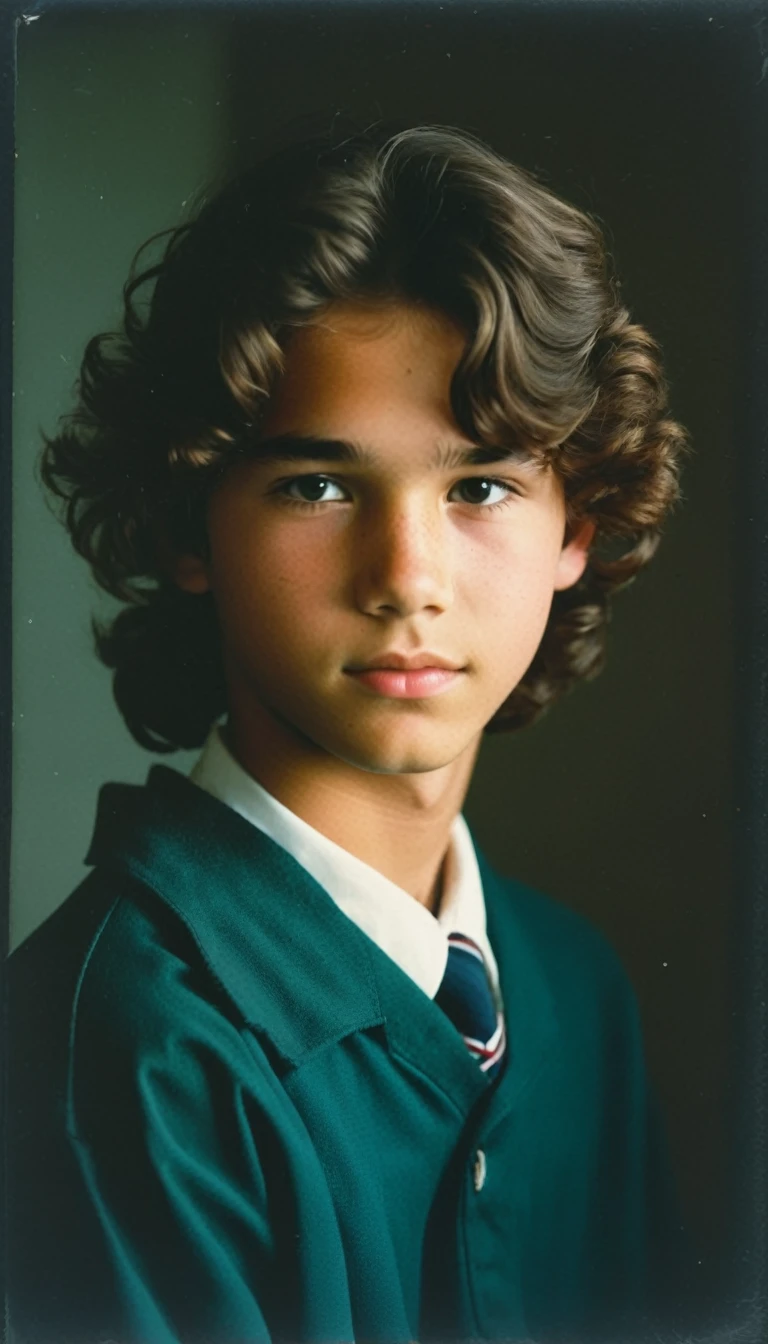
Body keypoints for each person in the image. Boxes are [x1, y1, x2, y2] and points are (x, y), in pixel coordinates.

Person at [8, 121, 693, 1344]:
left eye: (480, 485)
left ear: (576, 527)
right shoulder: (128, 1054)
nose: (407, 578)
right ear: (187, 527)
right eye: (318, 486)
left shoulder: (575, 992)